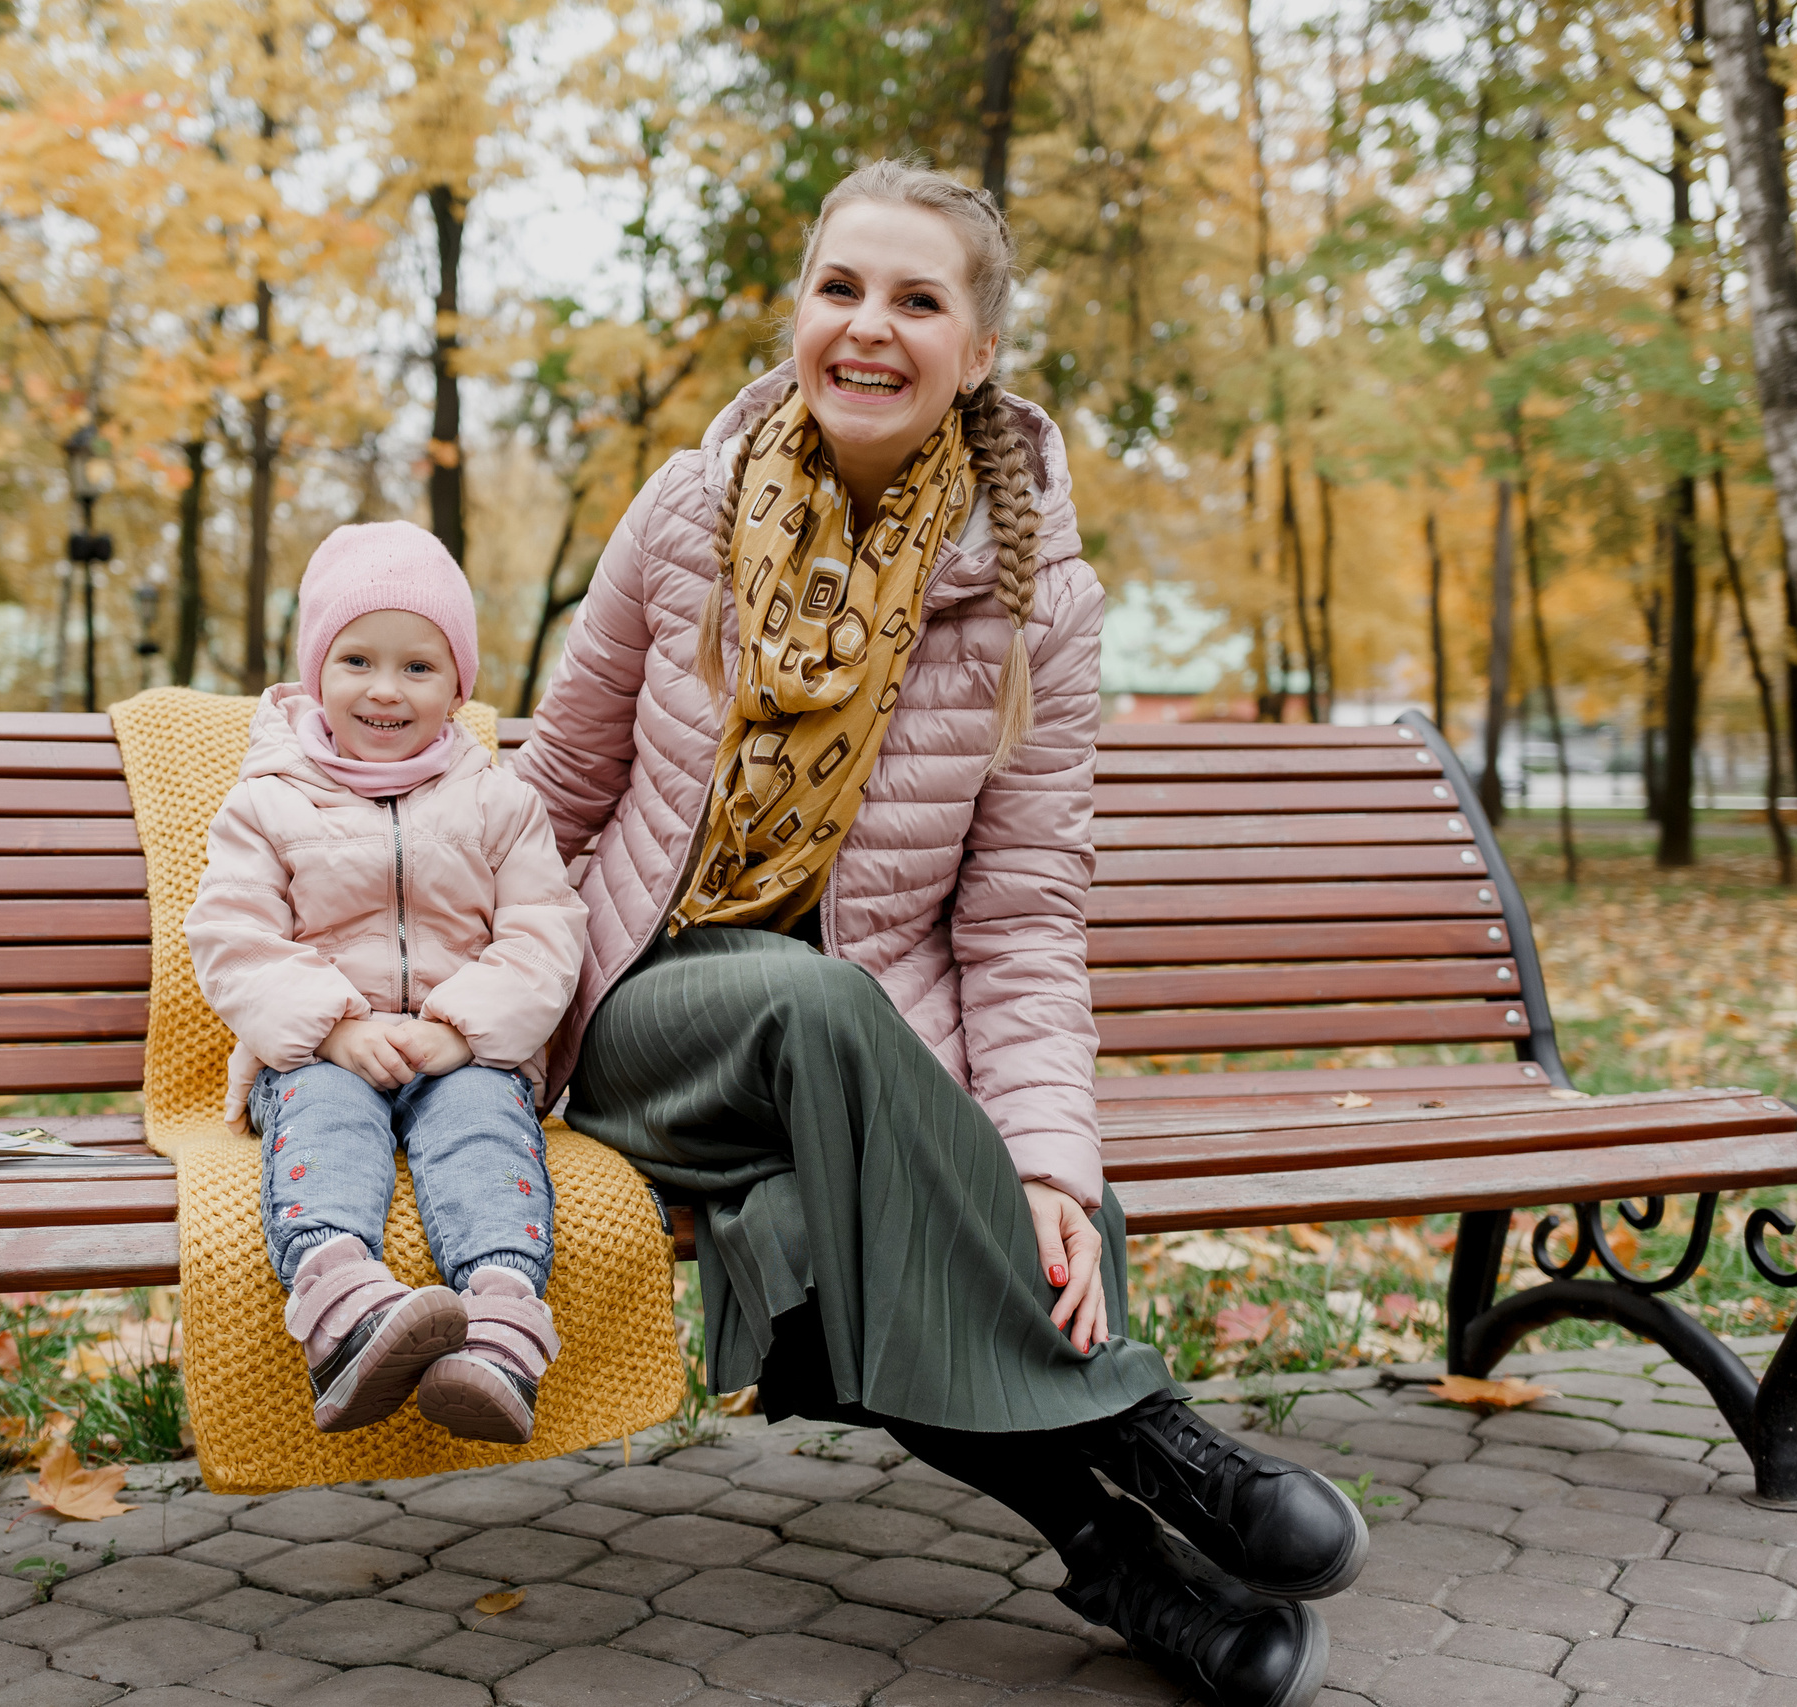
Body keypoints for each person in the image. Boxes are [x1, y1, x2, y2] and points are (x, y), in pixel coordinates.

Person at [512, 161, 1362, 1707]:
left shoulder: (1039, 595)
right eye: (841, 288)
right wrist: (484, 1024)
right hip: (647, 1015)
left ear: (979, 353)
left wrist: (1045, 1163)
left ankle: (1125, 1563)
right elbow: (554, 789)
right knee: (822, 1002)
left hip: (863, 1065)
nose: (869, 327)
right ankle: (1150, 1431)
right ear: (798, 314)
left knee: (830, 1236)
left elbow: (1024, 908)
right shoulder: (685, 511)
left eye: (917, 299)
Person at [187, 521, 588, 1446]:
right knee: (322, 1118)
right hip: (325, 1048)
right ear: (316, 672)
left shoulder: (498, 799)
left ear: (459, 684)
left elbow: (544, 930)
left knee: (487, 1128)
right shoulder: (268, 799)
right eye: (357, 658)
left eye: (419, 667)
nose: (385, 689)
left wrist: (462, 1028)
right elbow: (233, 933)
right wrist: (330, 1026)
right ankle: (346, 1309)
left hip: (462, 1050)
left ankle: (499, 1332)